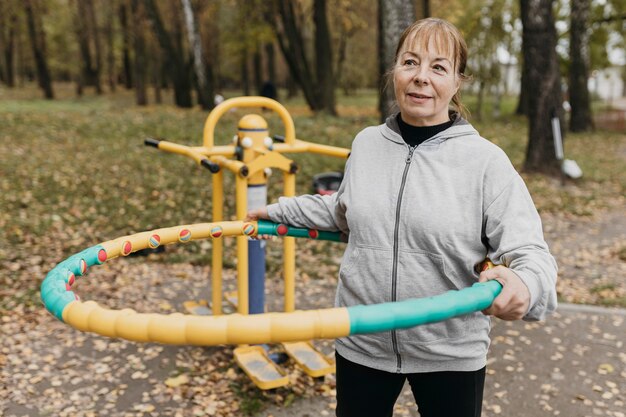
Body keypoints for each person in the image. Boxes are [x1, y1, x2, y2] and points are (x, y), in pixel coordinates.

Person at [246, 18, 557, 417]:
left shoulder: (484, 162)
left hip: (448, 349)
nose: (421, 78)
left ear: (458, 82)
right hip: (362, 339)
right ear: (395, 71)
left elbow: (530, 251)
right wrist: (276, 212)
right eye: (410, 62)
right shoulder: (367, 143)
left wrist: (525, 285)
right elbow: (343, 210)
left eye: (438, 67)